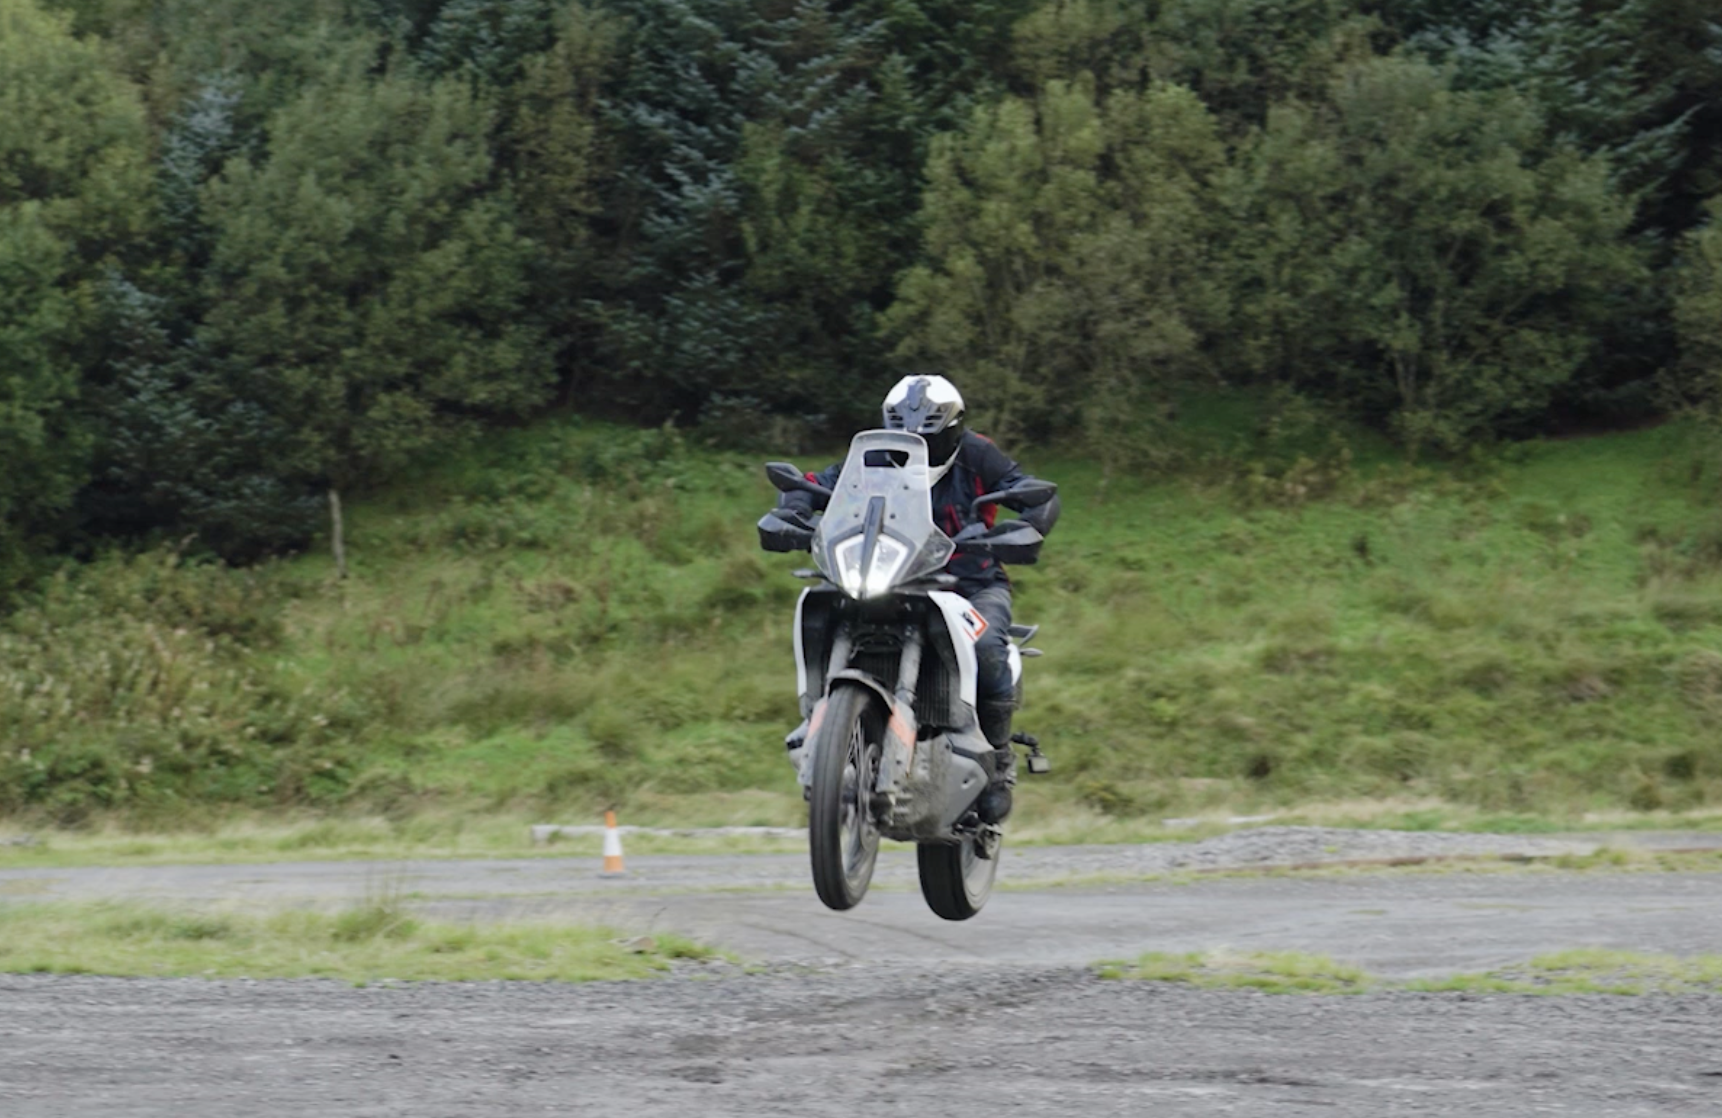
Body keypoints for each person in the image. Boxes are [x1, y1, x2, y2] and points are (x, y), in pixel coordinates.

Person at [775, 374, 1060, 823]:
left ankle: (999, 762)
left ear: (952, 430)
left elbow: (1033, 494)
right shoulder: (871, 456)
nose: (917, 444)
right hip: (888, 574)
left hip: (970, 582)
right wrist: (791, 508)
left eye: (928, 436)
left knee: (986, 648)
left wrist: (1024, 528)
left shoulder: (978, 454)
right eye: (907, 436)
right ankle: (830, 730)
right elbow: (816, 483)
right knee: (823, 614)